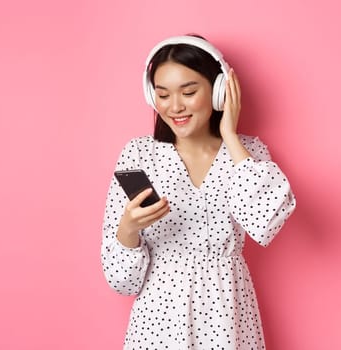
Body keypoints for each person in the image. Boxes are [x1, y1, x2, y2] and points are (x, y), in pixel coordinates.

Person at [99, 34, 297, 349]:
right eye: (162, 94)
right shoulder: (139, 155)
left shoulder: (249, 153)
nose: (175, 106)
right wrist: (128, 229)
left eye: (189, 92)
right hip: (158, 323)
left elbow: (265, 225)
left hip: (228, 315)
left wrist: (230, 136)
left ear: (219, 91)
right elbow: (122, 282)